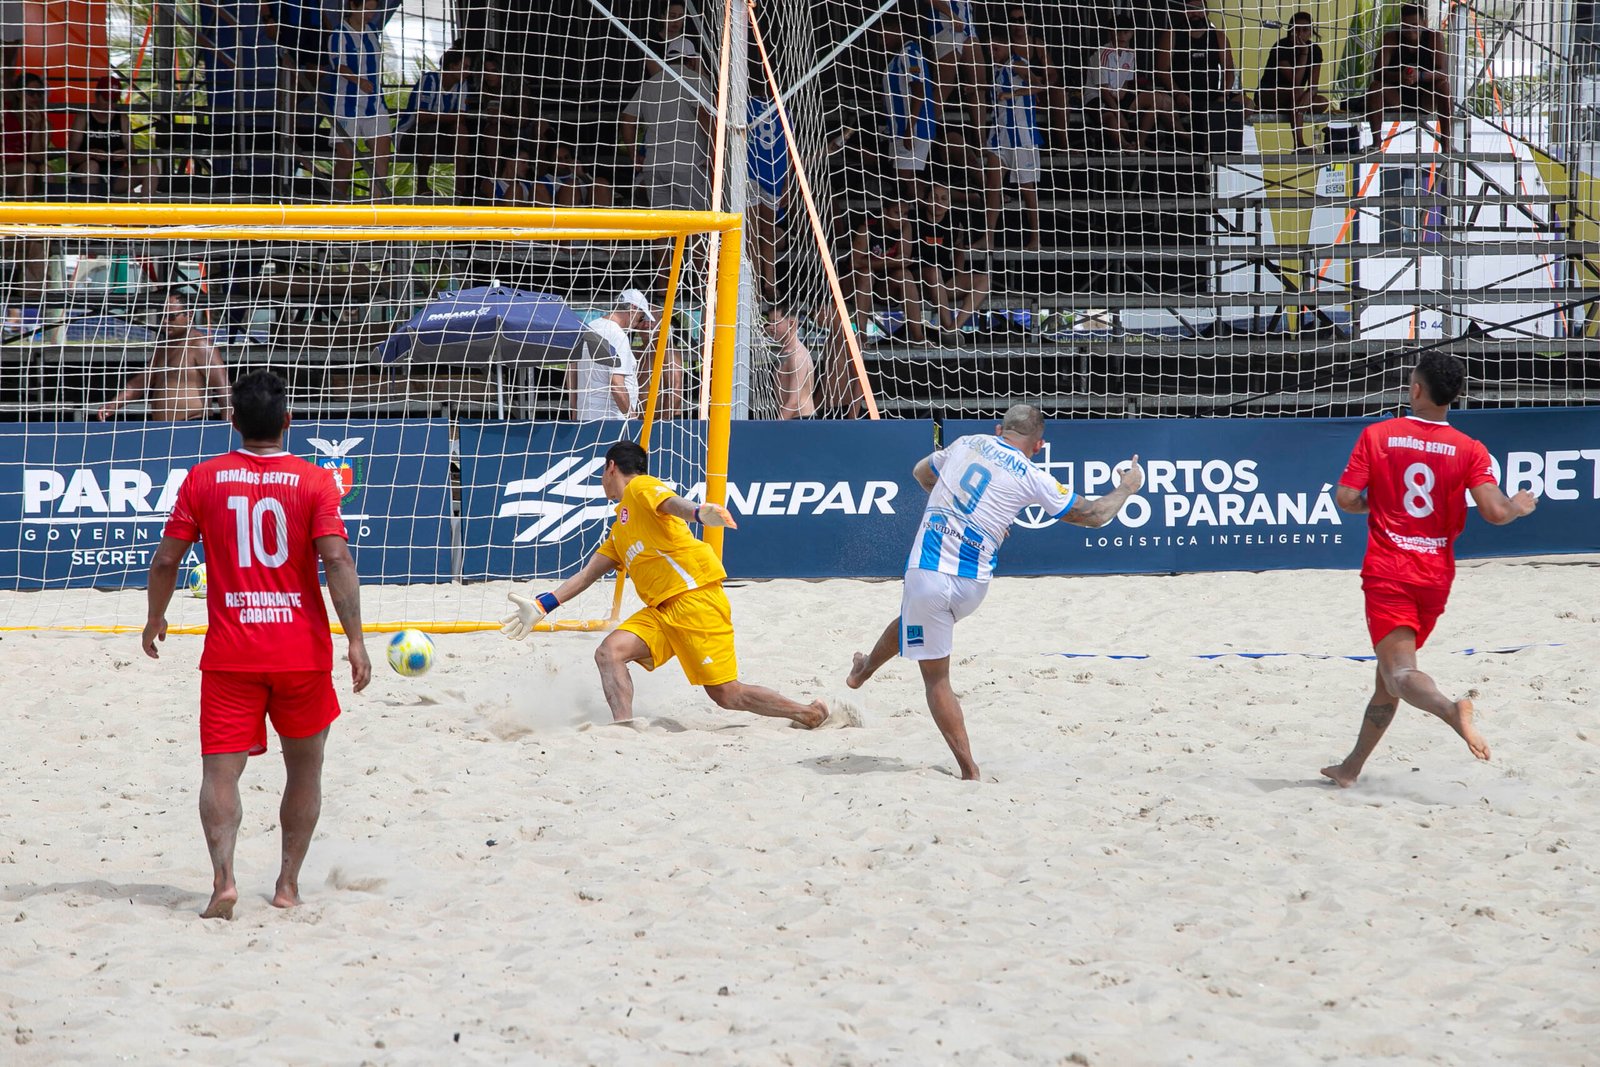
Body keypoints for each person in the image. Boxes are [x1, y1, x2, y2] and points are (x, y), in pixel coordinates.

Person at [142, 370, 371, 919]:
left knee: (219, 775)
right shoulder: (316, 481)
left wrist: (156, 617)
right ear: (288, 422)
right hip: (302, 651)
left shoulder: (202, 479)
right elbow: (337, 559)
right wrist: (357, 641)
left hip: (231, 653)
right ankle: (288, 884)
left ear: (232, 421)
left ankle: (223, 880)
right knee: (305, 771)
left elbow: (168, 559)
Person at [845, 404, 1144, 780]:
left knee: (937, 678)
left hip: (931, 574)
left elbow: (921, 473)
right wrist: (1126, 488)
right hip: (973, 585)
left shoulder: (969, 441)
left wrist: (953, 509)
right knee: (913, 620)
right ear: (1038, 446)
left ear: (999, 428)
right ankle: (863, 670)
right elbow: (1096, 515)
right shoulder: (1034, 475)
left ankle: (970, 770)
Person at [500, 441, 831, 728]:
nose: (603, 482)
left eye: (602, 474)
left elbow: (672, 503)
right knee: (608, 653)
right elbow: (587, 574)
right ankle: (623, 728)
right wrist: (544, 605)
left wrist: (700, 513)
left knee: (726, 694)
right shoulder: (620, 529)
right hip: (659, 611)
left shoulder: (640, 487)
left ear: (611, 467)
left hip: (695, 600)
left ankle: (809, 713)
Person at [1321, 354, 1536, 788]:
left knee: (1400, 674)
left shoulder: (1379, 435)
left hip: (1390, 570)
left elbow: (1345, 498)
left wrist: (1378, 505)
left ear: (1416, 391)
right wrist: (1518, 505)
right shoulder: (1469, 448)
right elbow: (1495, 512)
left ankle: (1449, 709)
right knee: (1389, 677)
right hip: (1436, 573)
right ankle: (1350, 768)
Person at [98, 293, 231, 422]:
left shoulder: (200, 346)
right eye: (163, 316)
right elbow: (140, 383)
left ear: (189, 315)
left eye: (171, 316)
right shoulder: (162, 348)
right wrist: (114, 404)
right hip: (163, 430)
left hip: (193, 426)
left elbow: (224, 389)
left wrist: (227, 429)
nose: (166, 321)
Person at [620, 36, 713, 210]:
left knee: (663, 226)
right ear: (692, 59)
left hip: (654, 165)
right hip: (687, 164)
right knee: (696, 224)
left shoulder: (650, 84)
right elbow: (704, 116)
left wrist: (634, 156)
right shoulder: (696, 80)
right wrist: (713, 152)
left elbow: (627, 118)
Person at [1157, 0, 1246, 154]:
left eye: (1198, 9)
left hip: (1211, 97)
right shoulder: (1172, 34)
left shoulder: (1218, 36)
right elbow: (1162, 70)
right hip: (1182, 97)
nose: (1194, 13)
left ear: (1206, 12)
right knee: (1161, 104)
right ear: (1183, 12)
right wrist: (1178, 94)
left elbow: (1229, 70)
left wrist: (1222, 96)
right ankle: (1191, 141)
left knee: (1246, 103)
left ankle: (1217, 140)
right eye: (1190, 9)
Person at [984, 35, 1044, 251]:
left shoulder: (1016, 63)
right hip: (999, 135)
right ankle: (988, 237)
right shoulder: (997, 69)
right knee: (992, 186)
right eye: (990, 49)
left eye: (996, 47)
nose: (993, 52)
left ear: (1007, 45)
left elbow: (1039, 86)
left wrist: (1013, 94)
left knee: (1027, 189)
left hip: (1022, 137)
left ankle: (1035, 238)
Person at [1365, 4, 1452, 148]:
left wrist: (1420, 76)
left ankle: (1446, 144)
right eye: (1405, 26)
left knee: (1444, 86)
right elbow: (1378, 72)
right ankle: (1376, 142)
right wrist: (1400, 77)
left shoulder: (1434, 38)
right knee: (1375, 87)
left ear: (1424, 23)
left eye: (1414, 25)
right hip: (1398, 95)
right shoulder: (1391, 38)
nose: (1410, 30)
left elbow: (1443, 72)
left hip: (1425, 95)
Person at [329, 0, 391, 199]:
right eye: (367, 9)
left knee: (382, 156)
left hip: (374, 104)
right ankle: (337, 207)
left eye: (374, 9)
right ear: (353, 7)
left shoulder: (372, 30)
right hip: (347, 106)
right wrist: (359, 81)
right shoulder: (339, 34)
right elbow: (339, 65)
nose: (371, 13)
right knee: (346, 159)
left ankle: (376, 208)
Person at [569, 289, 656, 421]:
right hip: (611, 420)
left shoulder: (589, 327)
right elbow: (617, 385)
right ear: (633, 308)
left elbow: (571, 372)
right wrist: (632, 420)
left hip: (585, 416)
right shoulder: (617, 335)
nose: (639, 323)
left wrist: (575, 410)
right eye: (641, 316)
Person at [880, 16, 940, 207]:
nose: (881, 39)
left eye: (883, 33)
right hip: (900, 131)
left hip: (913, 130)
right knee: (903, 180)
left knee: (907, 181)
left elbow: (919, 89)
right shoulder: (898, 56)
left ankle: (937, 213)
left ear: (897, 28)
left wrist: (910, 128)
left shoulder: (910, 52)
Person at [66, 75, 159, 199]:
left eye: (113, 101)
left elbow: (133, 157)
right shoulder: (83, 118)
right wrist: (91, 154)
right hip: (84, 174)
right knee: (92, 166)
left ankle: (145, 214)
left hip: (114, 175)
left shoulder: (122, 119)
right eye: (106, 99)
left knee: (150, 169)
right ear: (96, 96)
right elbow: (70, 158)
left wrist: (125, 155)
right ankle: (94, 213)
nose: (109, 105)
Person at [914, 183, 991, 332]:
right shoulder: (914, 220)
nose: (939, 202)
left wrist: (959, 274)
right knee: (933, 272)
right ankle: (948, 326)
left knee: (985, 280)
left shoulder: (954, 222)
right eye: (934, 197)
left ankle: (953, 329)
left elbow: (958, 250)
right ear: (926, 200)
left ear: (949, 203)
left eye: (944, 198)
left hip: (944, 280)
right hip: (917, 282)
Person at [394, 50, 467, 197]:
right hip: (408, 137)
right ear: (452, 67)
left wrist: (437, 117)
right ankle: (422, 186)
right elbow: (421, 117)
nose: (469, 72)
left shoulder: (462, 84)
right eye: (465, 66)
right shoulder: (430, 80)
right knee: (429, 129)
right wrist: (449, 118)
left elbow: (461, 117)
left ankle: (461, 189)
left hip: (437, 137)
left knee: (461, 130)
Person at [1256, 12, 1327, 153]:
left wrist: (1309, 94)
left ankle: (1294, 109)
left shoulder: (1316, 50)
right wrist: (1304, 53)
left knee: (1322, 102)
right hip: (1269, 94)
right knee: (1297, 92)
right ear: (1290, 30)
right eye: (1296, 29)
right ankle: (1299, 143)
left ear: (1311, 32)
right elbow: (1296, 81)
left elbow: (1313, 84)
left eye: (1305, 30)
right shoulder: (1281, 46)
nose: (1300, 34)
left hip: (1296, 97)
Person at [746, 90, 790, 306]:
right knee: (759, 232)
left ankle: (764, 283)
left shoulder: (783, 110)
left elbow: (789, 147)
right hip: (760, 174)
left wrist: (789, 182)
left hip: (767, 175)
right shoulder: (742, 105)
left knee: (761, 232)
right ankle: (760, 283)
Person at [1087, 25, 1142, 151]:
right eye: (1118, 31)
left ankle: (1141, 144)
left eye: (1126, 31)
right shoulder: (1102, 54)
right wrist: (1120, 116)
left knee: (1154, 101)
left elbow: (1126, 83)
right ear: (1111, 32)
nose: (1122, 35)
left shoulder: (1130, 54)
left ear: (1132, 33)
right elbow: (1103, 91)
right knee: (1110, 116)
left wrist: (1125, 97)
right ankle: (1125, 145)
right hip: (1097, 97)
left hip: (1116, 96)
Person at [761, 309, 817, 418]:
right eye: (770, 322)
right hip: (790, 419)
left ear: (792, 323)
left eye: (776, 322)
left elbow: (793, 402)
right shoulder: (785, 352)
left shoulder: (797, 356)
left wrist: (773, 430)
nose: (771, 327)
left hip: (802, 421)